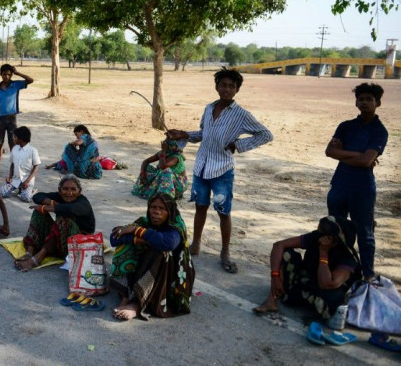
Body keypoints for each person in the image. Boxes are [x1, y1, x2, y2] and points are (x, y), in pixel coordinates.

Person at [167, 68, 273, 274]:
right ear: (216, 87)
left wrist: (238, 145)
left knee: (223, 212)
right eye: (223, 85)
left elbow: (266, 134)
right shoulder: (208, 108)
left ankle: (225, 251)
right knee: (200, 206)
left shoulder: (241, 115)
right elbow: (202, 135)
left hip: (222, 170)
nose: (226, 89)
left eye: (231, 86)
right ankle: (196, 242)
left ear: (237, 90)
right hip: (201, 167)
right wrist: (182, 134)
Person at [325, 83, 387, 279]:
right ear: (356, 102)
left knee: (365, 234)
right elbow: (329, 152)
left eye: (369, 99)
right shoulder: (345, 126)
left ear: (378, 103)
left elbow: (366, 161)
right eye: (361, 99)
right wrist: (358, 155)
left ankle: (367, 274)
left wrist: (347, 155)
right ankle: (341, 270)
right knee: (337, 230)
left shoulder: (380, 131)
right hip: (340, 184)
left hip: (362, 189)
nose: (365, 102)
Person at [253, 216, 360, 320]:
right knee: (286, 254)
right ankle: (272, 300)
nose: (318, 233)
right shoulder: (315, 238)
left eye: (322, 232)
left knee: (333, 298)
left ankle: (313, 312)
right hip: (306, 282)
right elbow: (279, 245)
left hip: (321, 291)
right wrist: (275, 276)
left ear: (333, 239)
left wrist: (323, 253)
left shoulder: (347, 260)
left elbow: (327, 284)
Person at [109, 193, 195, 320]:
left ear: (170, 211)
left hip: (169, 278)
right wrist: (137, 240)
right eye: (153, 207)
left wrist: (138, 232)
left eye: (162, 209)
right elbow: (114, 238)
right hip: (146, 268)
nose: (156, 212)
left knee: (161, 251)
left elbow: (168, 243)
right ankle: (127, 295)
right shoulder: (144, 222)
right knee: (127, 245)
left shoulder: (175, 228)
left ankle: (138, 303)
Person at [15, 174, 95, 271]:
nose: (69, 192)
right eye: (65, 189)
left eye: (73, 189)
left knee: (64, 218)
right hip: (61, 243)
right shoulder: (60, 197)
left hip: (76, 246)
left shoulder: (83, 202)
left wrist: (47, 208)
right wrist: (51, 203)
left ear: (79, 192)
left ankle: (37, 259)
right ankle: (30, 252)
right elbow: (37, 196)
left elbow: (71, 209)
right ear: (60, 190)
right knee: (38, 212)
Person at [0, 64, 34, 177]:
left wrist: (18, 73)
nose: (7, 76)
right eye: (5, 74)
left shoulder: (16, 85)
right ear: (1, 74)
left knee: (13, 145)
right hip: (0, 119)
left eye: (9, 74)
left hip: (12, 119)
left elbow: (30, 80)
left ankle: (13, 169)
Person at [0, 126, 41, 202]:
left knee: (25, 198)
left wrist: (27, 181)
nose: (13, 138)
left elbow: (36, 168)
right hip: (15, 179)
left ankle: (32, 191)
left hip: (27, 180)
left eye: (15, 137)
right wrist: (9, 177)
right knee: (3, 192)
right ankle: (19, 188)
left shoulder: (33, 151)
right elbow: (12, 164)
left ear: (21, 138)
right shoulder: (15, 148)